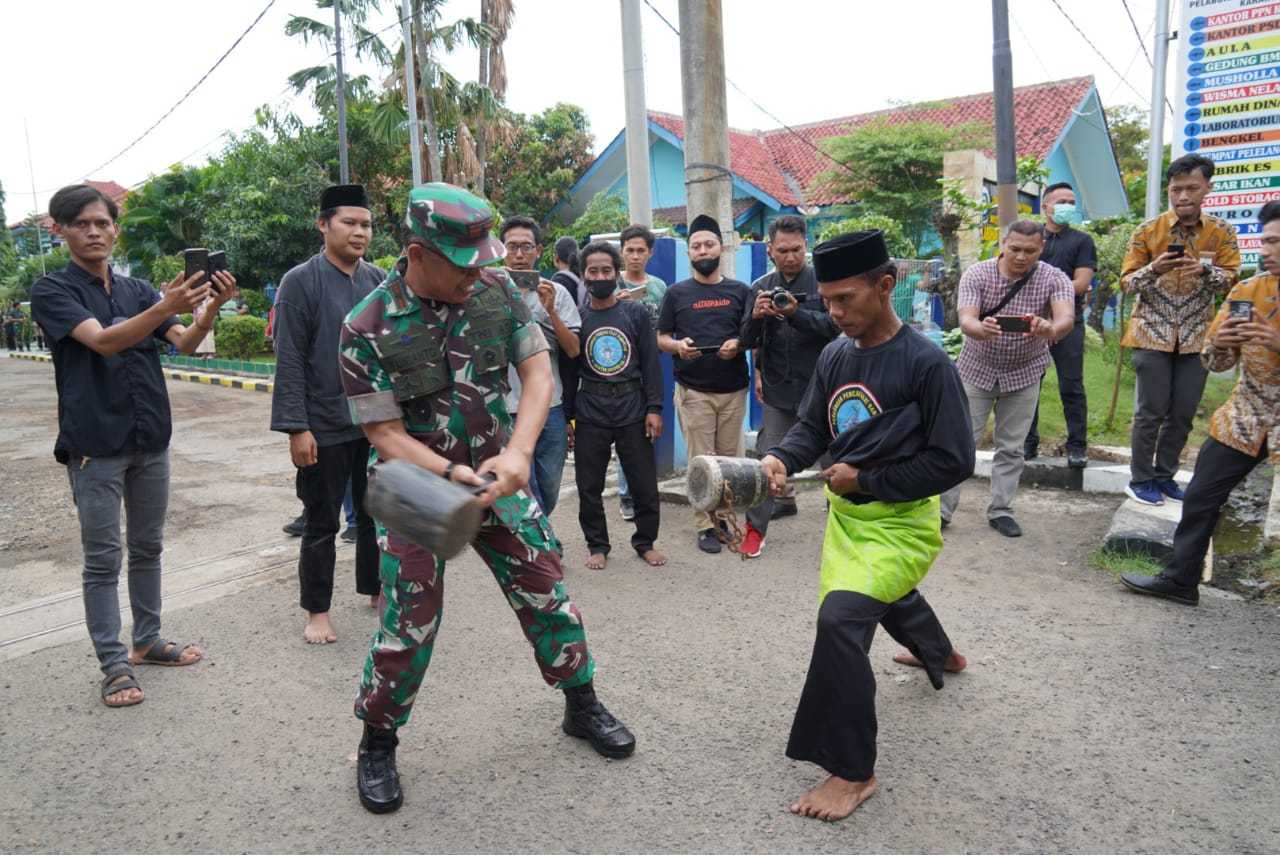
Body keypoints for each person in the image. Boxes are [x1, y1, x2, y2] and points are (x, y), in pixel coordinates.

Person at [339, 183, 634, 815]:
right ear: (419, 253)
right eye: (463, 261)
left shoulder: (498, 289)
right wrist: (449, 471)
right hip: (415, 484)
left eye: (484, 257)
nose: (480, 272)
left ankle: (580, 704)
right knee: (410, 621)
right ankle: (378, 740)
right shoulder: (366, 324)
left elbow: (537, 373)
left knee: (548, 589)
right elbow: (382, 433)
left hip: (501, 472)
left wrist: (521, 452)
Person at [758, 230, 974, 822]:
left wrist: (868, 481)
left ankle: (853, 770)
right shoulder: (834, 355)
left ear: (886, 286)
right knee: (889, 599)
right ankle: (942, 654)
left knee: (841, 619)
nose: (833, 312)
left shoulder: (926, 362)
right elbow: (811, 428)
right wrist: (781, 458)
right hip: (851, 520)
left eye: (845, 299)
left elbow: (954, 460)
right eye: (825, 300)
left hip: (903, 524)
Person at [30, 183, 237, 708]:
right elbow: (102, 341)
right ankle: (115, 664)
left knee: (148, 548)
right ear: (62, 231)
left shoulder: (139, 289)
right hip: (94, 445)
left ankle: (146, 641)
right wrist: (164, 304)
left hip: (150, 439)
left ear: (115, 229)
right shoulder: (54, 291)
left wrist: (208, 309)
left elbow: (185, 342)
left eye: (102, 223)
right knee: (103, 560)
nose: (95, 232)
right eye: (82, 224)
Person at [1121, 201, 1280, 605]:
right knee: (1201, 495)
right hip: (1247, 415)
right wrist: (1222, 346)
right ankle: (1180, 579)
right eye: (1265, 242)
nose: (1267, 252)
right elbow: (1212, 358)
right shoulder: (1250, 289)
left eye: (1276, 243)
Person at [270, 184, 383, 644]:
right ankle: (317, 610)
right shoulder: (300, 281)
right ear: (323, 225)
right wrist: (298, 427)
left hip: (374, 420)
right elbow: (289, 357)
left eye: (366, 225)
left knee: (378, 512)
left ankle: (377, 590)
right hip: (323, 423)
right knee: (322, 520)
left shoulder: (376, 279)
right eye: (349, 223)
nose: (359, 233)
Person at [940, 220, 1075, 538]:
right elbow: (966, 319)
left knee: (1011, 447)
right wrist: (980, 328)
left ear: (1041, 248)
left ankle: (1001, 509)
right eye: (1014, 249)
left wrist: (1051, 329)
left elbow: (1066, 316)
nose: (1021, 256)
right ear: (1002, 243)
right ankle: (941, 511)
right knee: (960, 442)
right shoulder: (978, 273)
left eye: (1030, 251)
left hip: (1025, 372)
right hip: (976, 369)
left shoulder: (1054, 278)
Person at [1120, 153, 1241, 506]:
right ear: (1169, 191)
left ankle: (1165, 475)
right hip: (1150, 333)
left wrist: (1205, 272)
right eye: (1176, 189)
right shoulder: (1147, 231)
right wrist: (1154, 268)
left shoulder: (1222, 233)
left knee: (1183, 412)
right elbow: (1127, 284)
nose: (1183, 196)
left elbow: (1231, 281)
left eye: (1192, 188)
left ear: (1207, 188)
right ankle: (1140, 479)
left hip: (1196, 338)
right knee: (1149, 412)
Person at [738, 214, 840, 557]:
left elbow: (836, 329)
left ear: (806, 246)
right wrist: (756, 317)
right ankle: (754, 530)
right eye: (783, 250)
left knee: (837, 465)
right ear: (770, 250)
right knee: (767, 461)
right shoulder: (760, 287)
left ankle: (845, 532)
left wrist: (796, 313)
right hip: (780, 391)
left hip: (823, 392)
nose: (790, 256)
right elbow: (745, 340)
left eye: (797, 249)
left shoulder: (824, 283)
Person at [656, 213, 750, 553]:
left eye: (708, 244)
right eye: (696, 246)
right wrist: (678, 347)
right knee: (702, 461)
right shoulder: (676, 294)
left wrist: (738, 345)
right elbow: (661, 338)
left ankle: (724, 518)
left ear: (721, 248)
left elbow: (751, 334)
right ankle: (705, 525)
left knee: (729, 460)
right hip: (694, 391)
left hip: (733, 391)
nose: (703, 250)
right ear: (689, 253)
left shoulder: (740, 291)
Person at [573, 240, 665, 570]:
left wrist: (654, 408)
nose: (600, 276)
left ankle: (645, 541)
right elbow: (570, 370)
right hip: (590, 408)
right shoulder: (578, 317)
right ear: (583, 276)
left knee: (643, 481)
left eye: (606, 270)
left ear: (617, 274)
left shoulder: (635, 313)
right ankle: (597, 545)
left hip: (632, 406)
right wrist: (571, 417)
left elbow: (651, 363)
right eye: (593, 271)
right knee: (589, 485)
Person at [500, 216, 581, 517]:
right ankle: (541, 547)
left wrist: (550, 312)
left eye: (526, 247)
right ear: (501, 249)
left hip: (550, 405)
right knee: (523, 482)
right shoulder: (486, 292)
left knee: (549, 483)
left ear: (538, 251)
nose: (519, 255)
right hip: (506, 406)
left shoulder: (556, 293)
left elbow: (573, 349)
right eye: (512, 247)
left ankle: (540, 536)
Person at [1023, 182, 1097, 467]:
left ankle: (1077, 446)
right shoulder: (1031, 239)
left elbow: (1081, 283)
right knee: (1028, 385)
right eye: (1061, 201)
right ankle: (1028, 443)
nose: (1067, 206)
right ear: (1046, 206)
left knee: (1071, 385)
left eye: (1071, 201)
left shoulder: (1082, 241)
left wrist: (1051, 293)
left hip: (1068, 324)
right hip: (1030, 324)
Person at [615, 224, 669, 522]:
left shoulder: (659, 287)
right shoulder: (610, 283)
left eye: (641, 251)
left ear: (649, 253)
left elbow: (664, 326)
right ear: (622, 252)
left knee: (644, 433)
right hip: (618, 371)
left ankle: (641, 491)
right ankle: (625, 494)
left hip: (650, 368)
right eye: (630, 250)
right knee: (625, 435)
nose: (635, 256)